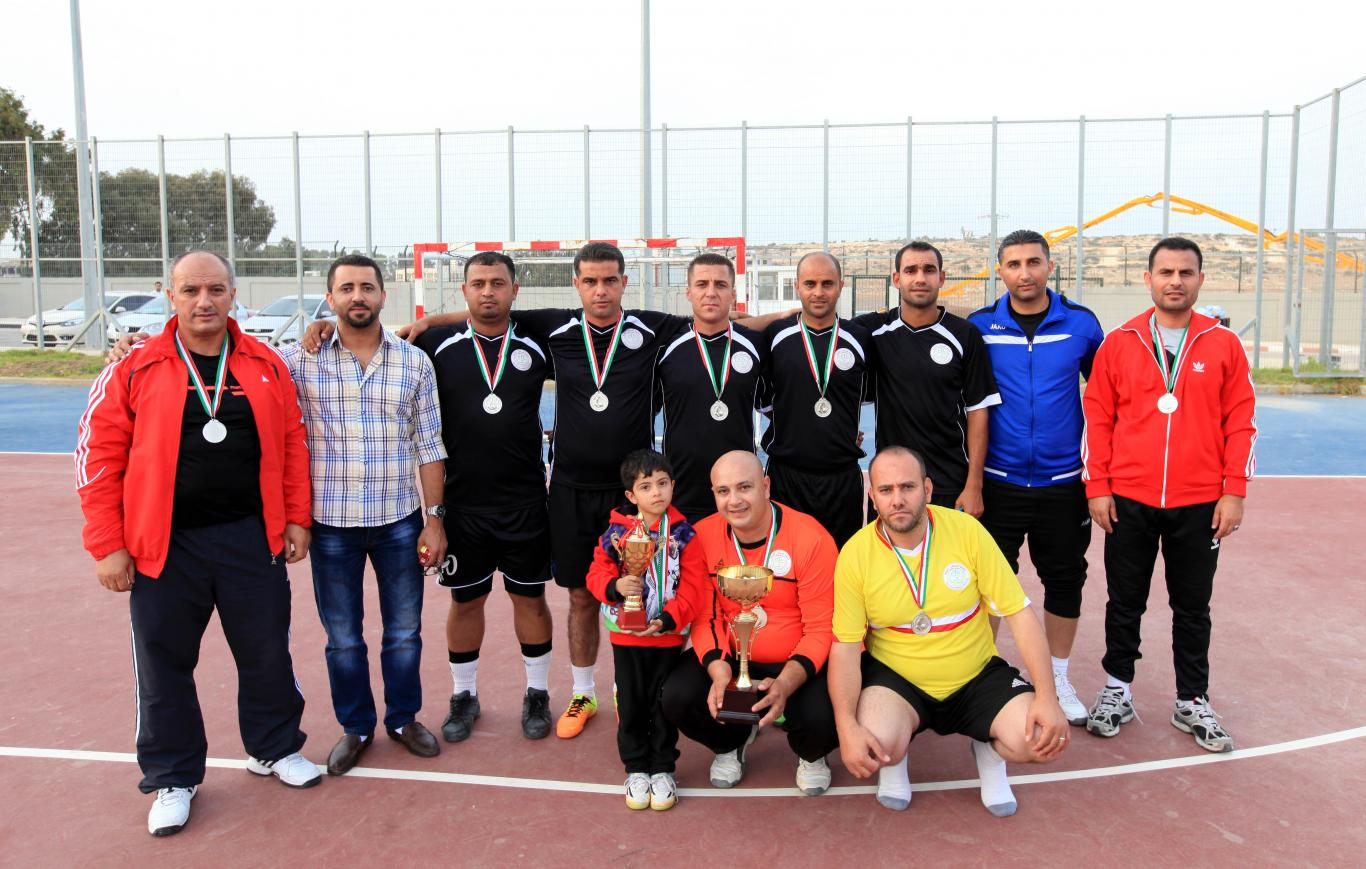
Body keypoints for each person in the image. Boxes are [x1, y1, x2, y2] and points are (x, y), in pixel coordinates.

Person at [393, 243, 692, 739]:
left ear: (623, 283)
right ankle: (575, 693)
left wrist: (789, 312)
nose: (601, 289)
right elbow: (479, 314)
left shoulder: (647, 330)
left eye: (610, 280)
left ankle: (626, 689)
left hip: (618, 496)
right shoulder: (548, 331)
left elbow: (719, 317)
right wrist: (424, 323)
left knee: (644, 590)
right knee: (575, 596)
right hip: (555, 493)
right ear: (576, 284)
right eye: (591, 281)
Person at [78, 250, 319, 838]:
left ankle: (273, 748)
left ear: (233, 294)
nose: (204, 302)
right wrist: (107, 544)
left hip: (248, 540)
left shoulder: (266, 364)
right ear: (171, 295)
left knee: (266, 652)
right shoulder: (134, 367)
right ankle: (172, 777)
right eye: (191, 291)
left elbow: (291, 444)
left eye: (215, 289)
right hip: (165, 546)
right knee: (163, 666)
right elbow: (97, 458)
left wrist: (295, 518)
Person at [275, 254, 448, 775]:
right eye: (346, 288)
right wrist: (134, 344)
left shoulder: (413, 362)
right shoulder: (299, 359)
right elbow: (232, 351)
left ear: (381, 296)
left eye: (367, 287)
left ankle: (403, 718)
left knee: (403, 632)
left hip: (398, 522)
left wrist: (434, 519)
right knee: (343, 638)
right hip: (329, 527)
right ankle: (356, 726)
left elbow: (430, 445)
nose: (358, 296)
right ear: (329, 298)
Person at [1082, 237, 1256, 752]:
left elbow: (1241, 423)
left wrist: (1234, 492)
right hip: (1129, 499)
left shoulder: (1223, 344)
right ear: (1148, 279)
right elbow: (1098, 419)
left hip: (1200, 502)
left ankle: (1192, 701)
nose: (1175, 281)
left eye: (1185, 272)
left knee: (1193, 605)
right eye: (1166, 272)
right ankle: (1118, 689)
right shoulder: (1121, 341)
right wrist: (1098, 487)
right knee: (1124, 600)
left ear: (1201, 280)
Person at [829, 446, 1068, 816]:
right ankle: (895, 760)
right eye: (886, 490)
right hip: (897, 680)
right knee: (873, 739)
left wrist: (1047, 696)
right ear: (872, 496)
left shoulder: (967, 532)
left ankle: (989, 752)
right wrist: (846, 727)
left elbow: (1019, 614)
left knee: (1041, 739)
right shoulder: (855, 554)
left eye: (907, 487)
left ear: (927, 489)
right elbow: (844, 648)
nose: (898, 500)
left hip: (974, 674)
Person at [412, 252, 556, 743]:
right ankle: (463, 694)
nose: (488, 292)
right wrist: (322, 332)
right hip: (463, 506)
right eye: (478, 284)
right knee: (466, 601)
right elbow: (368, 343)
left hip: (526, 502)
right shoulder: (434, 343)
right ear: (464, 291)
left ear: (515, 291)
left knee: (530, 598)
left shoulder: (539, 342)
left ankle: (537, 693)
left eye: (498, 283)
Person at [966, 230, 1106, 726]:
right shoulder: (980, 327)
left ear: (1050, 266)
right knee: (989, 587)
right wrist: (973, 481)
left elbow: (1108, 399)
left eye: (1033, 262)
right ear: (999, 271)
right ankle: (982, 674)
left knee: (1064, 580)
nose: (1023, 273)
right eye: (1013, 264)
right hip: (998, 483)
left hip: (1064, 484)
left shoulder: (1082, 325)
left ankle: (1059, 675)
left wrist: (1100, 478)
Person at [661, 450, 841, 795]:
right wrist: (718, 670)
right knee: (677, 696)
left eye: (744, 487)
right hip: (734, 656)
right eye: (723, 491)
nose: (734, 501)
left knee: (829, 710)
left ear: (766, 486)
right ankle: (732, 742)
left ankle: (811, 753)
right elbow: (706, 617)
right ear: (713, 495)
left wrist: (787, 682)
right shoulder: (701, 537)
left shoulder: (811, 538)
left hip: (796, 660)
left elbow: (821, 628)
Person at [586, 450, 708, 810]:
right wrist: (615, 588)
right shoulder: (617, 533)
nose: (656, 492)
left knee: (661, 703)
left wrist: (669, 619)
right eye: (645, 486)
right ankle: (636, 768)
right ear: (631, 496)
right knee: (632, 700)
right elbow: (596, 573)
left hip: (667, 636)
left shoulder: (685, 534)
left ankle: (663, 768)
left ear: (673, 485)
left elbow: (694, 586)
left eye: (662, 483)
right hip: (626, 635)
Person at [850, 242, 1000, 515]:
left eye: (929, 270)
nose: (920, 278)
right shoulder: (873, 331)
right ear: (897, 279)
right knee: (892, 559)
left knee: (954, 559)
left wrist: (974, 484)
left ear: (941, 278)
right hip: (893, 485)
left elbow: (978, 410)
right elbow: (819, 334)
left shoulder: (965, 334)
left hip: (951, 483)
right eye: (911, 270)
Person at [757, 252, 874, 546]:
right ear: (797, 286)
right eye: (810, 284)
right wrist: (800, 423)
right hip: (786, 474)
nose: (818, 292)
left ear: (841, 286)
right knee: (786, 562)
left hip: (842, 477)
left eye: (827, 284)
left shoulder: (860, 338)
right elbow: (762, 396)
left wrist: (838, 425)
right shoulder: (775, 335)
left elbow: (863, 394)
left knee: (840, 563)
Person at [655, 254, 766, 522]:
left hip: (738, 494)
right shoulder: (664, 346)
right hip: (682, 489)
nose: (711, 293)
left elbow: (778, 407)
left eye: (720, 285)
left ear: (733, 293)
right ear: (689, 292)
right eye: (702, 284)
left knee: (737, 566)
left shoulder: (756, 345)